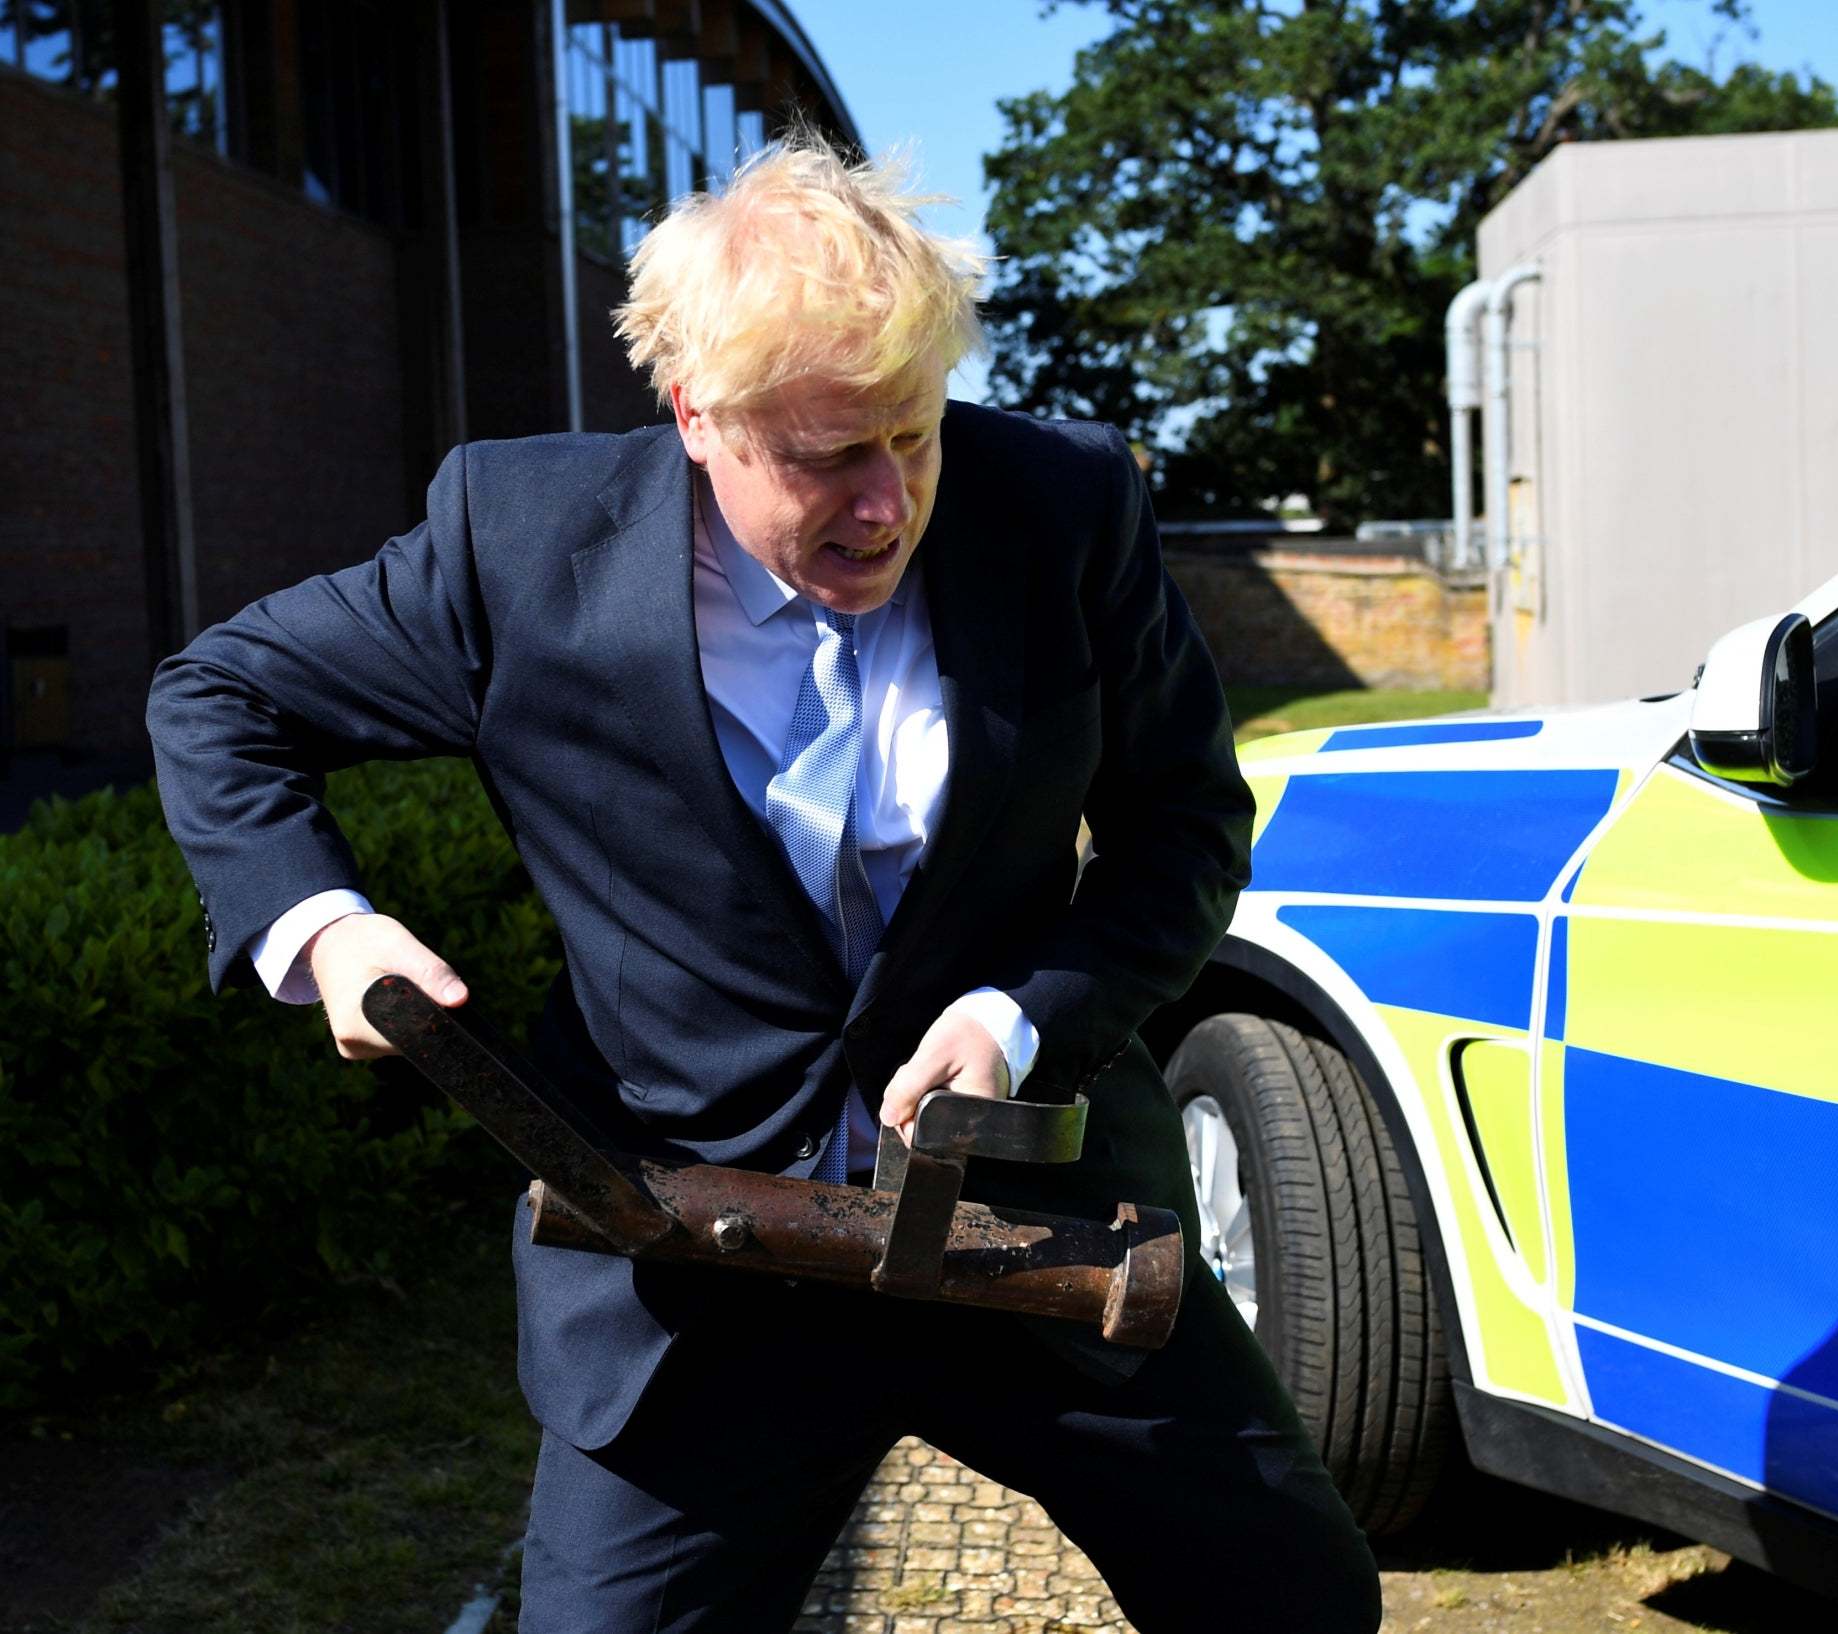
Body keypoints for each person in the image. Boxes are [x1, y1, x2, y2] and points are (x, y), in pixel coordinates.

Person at [147, 135, 1380, 1634]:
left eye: (913, 437)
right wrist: (326, 928)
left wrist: (1020, 1014)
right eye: (823, 456)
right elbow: (219, 697)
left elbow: (1181, 827)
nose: (883, 506)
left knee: (1296, 1600)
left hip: (1037, 1233)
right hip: (688, 1259)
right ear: (694, 414)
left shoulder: (1063, 506)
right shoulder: (517, 540)